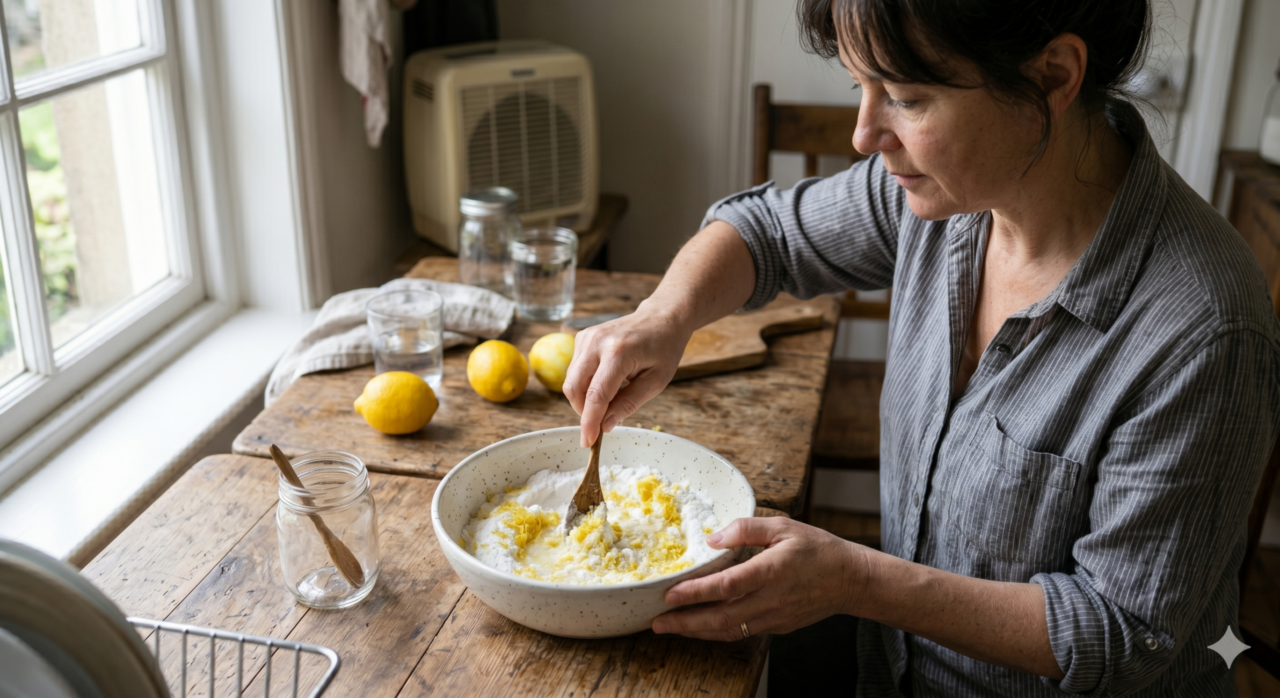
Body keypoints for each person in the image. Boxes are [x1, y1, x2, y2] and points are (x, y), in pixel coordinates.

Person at [561, 0, 1280, 695]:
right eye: (859, 87)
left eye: (906, 97)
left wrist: (855, 580)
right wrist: (661, 317)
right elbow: (767, 235)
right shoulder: (950, 196)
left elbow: (1119, 631)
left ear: (1055, 75)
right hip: (891, 667)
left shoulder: (1204, 329)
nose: (865, 134)